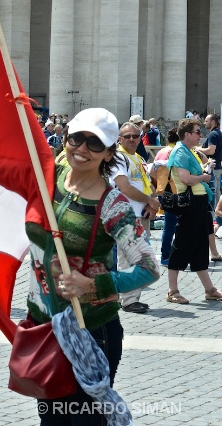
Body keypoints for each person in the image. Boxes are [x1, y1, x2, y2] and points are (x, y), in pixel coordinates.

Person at [26, 108, 159, 423]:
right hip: (43, 325)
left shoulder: (112, 205)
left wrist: (94, 285)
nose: (82, 148)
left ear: (110, 152)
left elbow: (149, 268)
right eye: (76, 138)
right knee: (51, 421)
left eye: (95, 143)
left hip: (89, 330)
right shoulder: (49, 179)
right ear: (66, 139)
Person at [165, 119, 222, 304]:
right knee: (182, 244)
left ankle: (209, 289)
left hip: (199, 203)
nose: (200, 135)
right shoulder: (180, 151)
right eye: (197, 132)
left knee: (200, 246)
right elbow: (186, 178)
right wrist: (204, 177)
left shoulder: (189, 151)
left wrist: (205, 169)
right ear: (187, 134)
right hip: (189, 204)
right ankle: (172, 290)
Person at [109, 121, 160, 314]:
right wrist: (150, 200)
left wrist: (152, 203)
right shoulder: (118, 157)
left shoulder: (138, 158)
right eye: (127, 136)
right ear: (119, 139)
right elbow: (124, 187)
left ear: (140, 138)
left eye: (135, 136)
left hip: (140, 214)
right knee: (128, 259)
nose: (131, 139)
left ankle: (131, 297)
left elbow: (147, 185)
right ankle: (128, 300)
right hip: (126, 215)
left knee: (140, 258)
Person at [152, 128, 179, 266]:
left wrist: (160, 183)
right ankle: (171, 255)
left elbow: (152, 172)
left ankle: (165, 256)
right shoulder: (177, 151)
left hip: (162, 191)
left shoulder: (161, 152)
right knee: (176, 226)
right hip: (174, 192)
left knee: (168, 225)